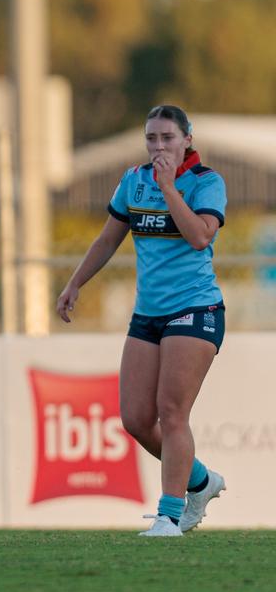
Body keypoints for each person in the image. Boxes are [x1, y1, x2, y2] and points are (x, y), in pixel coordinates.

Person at [57, 104, 227, 537]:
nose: (158, 146)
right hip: (148, 315)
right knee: (134, 418)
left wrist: (170, 188)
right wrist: (75, 283)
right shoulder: (133, 181)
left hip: (196, 310)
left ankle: (170, 515)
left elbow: (199, 236)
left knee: (172, 412)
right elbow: (107, 238)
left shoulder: (206, 182)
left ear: (187, 139)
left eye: (167, 137)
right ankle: (201, 481)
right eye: (151, 138)